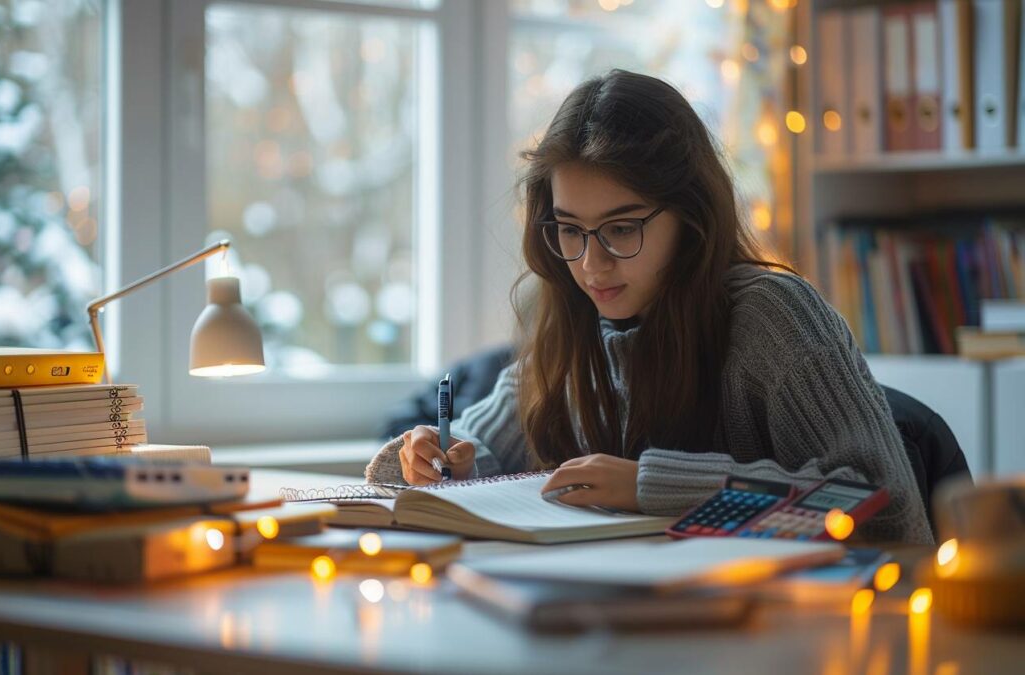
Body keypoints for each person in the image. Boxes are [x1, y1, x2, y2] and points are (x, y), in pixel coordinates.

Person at [364, 69, 932, 544]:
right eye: (569, 230)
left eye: (621, 228)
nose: (591, 264)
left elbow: (885, 507)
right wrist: (427, 456)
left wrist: (650, 485)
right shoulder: (575, 319)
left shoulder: (774, 316)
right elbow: (472, 447)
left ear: (689, 217)